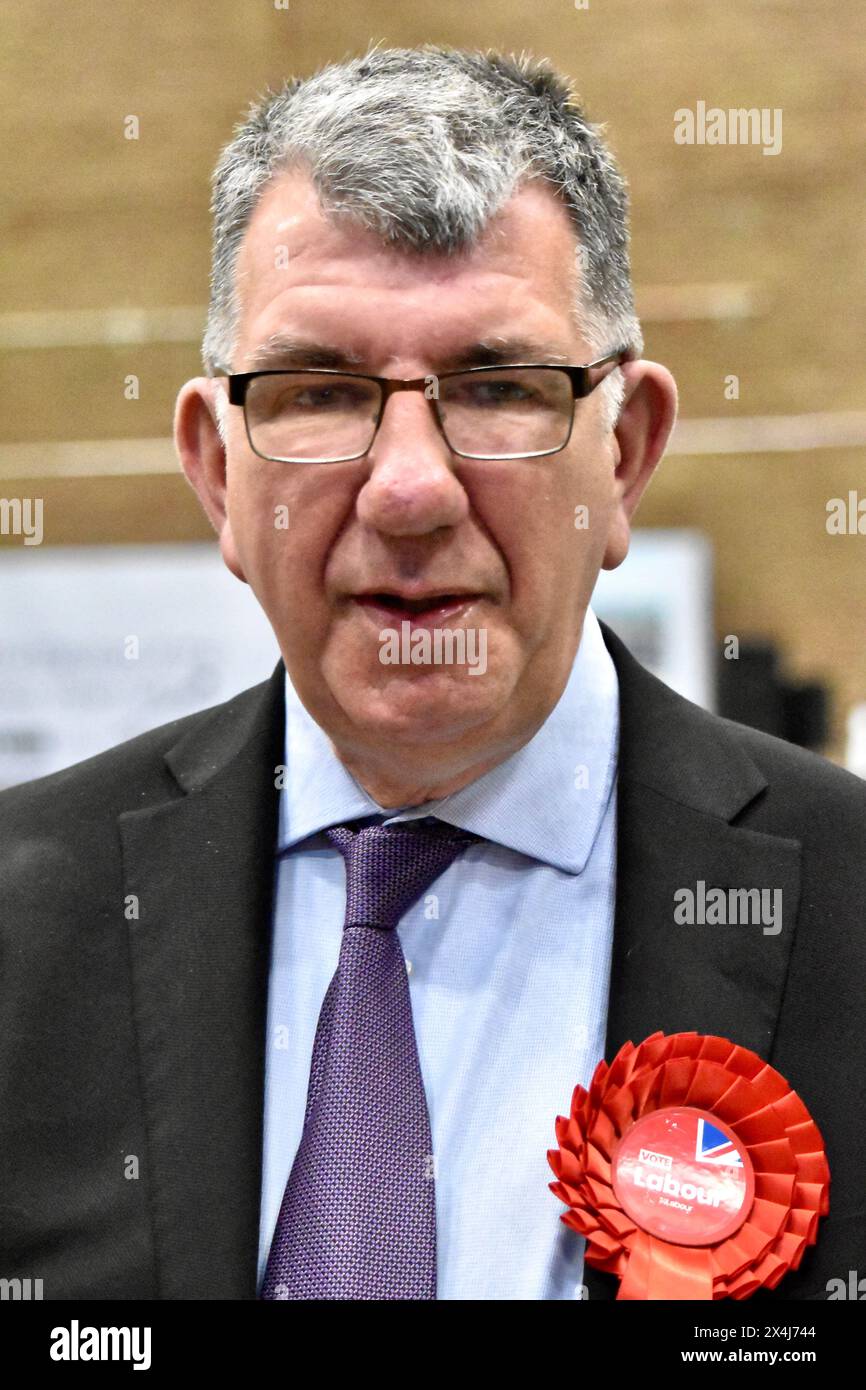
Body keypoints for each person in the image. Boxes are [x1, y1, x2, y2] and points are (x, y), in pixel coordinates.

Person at [1, 44, 863, 1302]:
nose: (409, 488)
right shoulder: (23, 926)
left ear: (621, 457)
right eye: (315, 391)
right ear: (215, 475)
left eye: (498, 386)